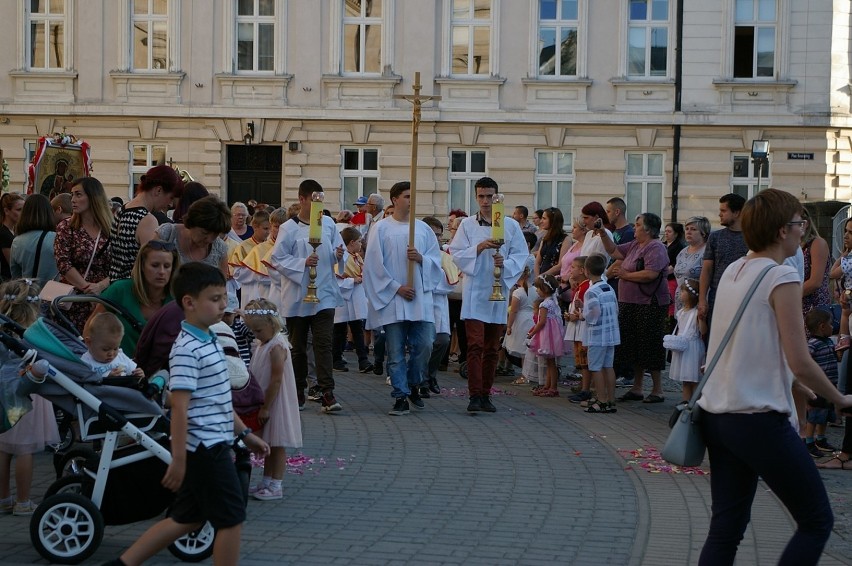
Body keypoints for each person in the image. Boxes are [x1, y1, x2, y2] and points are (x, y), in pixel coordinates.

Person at [696, 188, 852, 565]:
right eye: (800, 223)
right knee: (816, 521)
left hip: (717, 415)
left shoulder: (736, 269)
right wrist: (840, 398)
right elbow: (800, 359)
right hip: (757, 419)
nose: (804, 231)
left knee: (726, 528)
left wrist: (794, 383)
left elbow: (747, 345)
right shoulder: (781, 276)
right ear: (783, 230)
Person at [104, 262, 269, 566]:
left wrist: (244, 434)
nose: (223, 305)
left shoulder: (211, 339)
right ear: (189, 303)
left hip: (212, 444)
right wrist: (178, 459)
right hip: (204, 448)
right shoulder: (187, 349)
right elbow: (180, 407)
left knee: (188, 519)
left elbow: (218, 400)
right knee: (231, 518)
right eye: (215, 299)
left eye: (224, 297)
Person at [448, 177, 528, 413]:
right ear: (476, 197)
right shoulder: (467, 225)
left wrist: (507, 263)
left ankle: (486, 394)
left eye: (490, 196)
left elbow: (521, 254)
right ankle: (474, 394)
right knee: (475, 344)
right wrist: (478, 248)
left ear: (497, 198)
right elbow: (456, 253)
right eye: (481, 196)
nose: (485, 201)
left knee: (493, 347)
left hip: (498, 290)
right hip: (475, 291)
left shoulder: (510, 225)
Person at [363, 181, 442, 416]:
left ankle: (414, 383)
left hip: (419, 298)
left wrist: (421, 259)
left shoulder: (423, 229)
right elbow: (374, 266)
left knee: (426, 344)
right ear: (395, 199)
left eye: (413, 196)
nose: (411, 200)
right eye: (407, 196)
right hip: (394, 298)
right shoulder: (381, 229)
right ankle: (400, 396)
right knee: (396, 352)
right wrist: (396, 288)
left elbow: (436, 261)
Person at [268, 179, 344, 412]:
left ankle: (327, 392)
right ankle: (299, 389)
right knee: (298, 346)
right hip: (298, 295)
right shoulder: (288, 228)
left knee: (324, 343)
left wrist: (338, 254)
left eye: (321, 200)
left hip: (325, 293)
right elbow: (277, 258)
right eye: (314, 200)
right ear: (302, 199)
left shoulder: (328, 223)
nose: (318, 206)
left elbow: (336, 254)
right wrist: (303, 262)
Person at [595, 212, 670, 403]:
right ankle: (637, 388)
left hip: (649, 303)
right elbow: (614, 251)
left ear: (648, 229)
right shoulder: (636, 245)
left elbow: (650, 274)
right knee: (634, 346)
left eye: (637, 225)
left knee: (650, 346)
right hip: (629, 302)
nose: (634, 227)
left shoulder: (656, 247)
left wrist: (624, 275)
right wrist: (603, 232)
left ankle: (657, 390)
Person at [0, 279, 60, 517]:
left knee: (3, 448)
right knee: (25, 449)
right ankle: (23, 500)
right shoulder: (34, 334)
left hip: (4, 397)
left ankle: (4, 498)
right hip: (28, 395)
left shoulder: (4, 333)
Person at [243, 298, 302, 501]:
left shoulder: (277, 346)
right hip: (264, 398)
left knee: (277, 444)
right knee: (268, 441)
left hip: (275, 400)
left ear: (271, 323)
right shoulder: (262, 343)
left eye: (258, 330)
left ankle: (276, 484)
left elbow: (276, 379)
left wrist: (266, 407)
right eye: (253, 331)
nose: (255, 334)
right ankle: (266, 481)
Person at [89, 240, 179, 357]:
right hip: (117, 369)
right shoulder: (120, 290)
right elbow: (91, 328)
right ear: (142, 265)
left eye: (167, 266)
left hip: (160, 372)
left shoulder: (178, 299)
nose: (161, 272)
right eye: (155, 265)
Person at [54, 177, 113, 333]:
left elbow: (120, 265)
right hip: (73, 300)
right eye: (72, 195)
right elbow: (63, 263)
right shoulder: (66, 227)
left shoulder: (112, 228)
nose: (73, 200)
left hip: (104, 299)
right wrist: (88, 289)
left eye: (78, 195)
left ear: (93, 197)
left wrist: (100, 287)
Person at [109, 164, 183, 282]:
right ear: (158, 190)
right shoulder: (147, 220)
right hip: (133, 290)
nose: (169, 204)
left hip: (116, 289)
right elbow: (152, 266)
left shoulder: (121, 210)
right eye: (170, 197)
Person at [421, 216, 459, 396]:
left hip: (438, 303)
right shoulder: (416, 254)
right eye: (431, 234)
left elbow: (448, 283)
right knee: (423, 344)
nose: (435, 239)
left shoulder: (445, 257)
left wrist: (431, 281)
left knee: (442, 340)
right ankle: (421, 379)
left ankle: (430, 374)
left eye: (438, 235)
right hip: (420, 303)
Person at [698, 193, 747, 325]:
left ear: (736, 213)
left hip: (744, 299)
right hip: (717, 297)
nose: (719, 214)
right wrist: (702, 299)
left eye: (723, 211)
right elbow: (706, 270)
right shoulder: (715, 237)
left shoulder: (752, 238)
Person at [580, 254, 621, 413]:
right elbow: (616, 308)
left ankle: (601, 400)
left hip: (597, 335)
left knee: (595, 367)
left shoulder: (591, 291)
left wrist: (583, 315)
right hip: (611, 333)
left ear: (586, 271)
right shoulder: (608, 287)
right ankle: (611, 400)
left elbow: (594, 313)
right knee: (608, 366)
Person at [156, 196, 230, 279]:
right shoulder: (167, 234)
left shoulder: (220, 249)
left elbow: (221, 288)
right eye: (204, 233)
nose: (209, 239)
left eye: (215, 235)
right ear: (192, 223)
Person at [332, 226, 372, 373]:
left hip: (356, 296)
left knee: (357, 328)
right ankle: (336, 358)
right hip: (344, 297)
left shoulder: (357, 257)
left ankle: (363, 360)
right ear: (352, 242)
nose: (361, 244)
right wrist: (352, 281)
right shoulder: (342, 258)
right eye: (360, 241)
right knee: (340, 329)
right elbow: (336, 279)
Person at [802, 309, 840, 458]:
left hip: (829, 386)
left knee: (825, 415)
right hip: (817, 387)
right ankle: (809, 442)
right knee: (814, 416)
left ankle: (821, 439)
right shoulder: (813, 344)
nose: (833, 327)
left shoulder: (829, 341)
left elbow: (833, 358)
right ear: (822, 326)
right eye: (831, 324)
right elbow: (806, 363)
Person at [236, 207, 286, 309]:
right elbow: (259, 276)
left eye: (283, 226)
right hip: (264, 294)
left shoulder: (292, 246)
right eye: (276, 226)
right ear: (271, 226)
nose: (280, 230)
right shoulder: (259, 249)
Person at [526, 274, 567, 397]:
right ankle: (547, 385)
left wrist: (532, 333)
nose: (537, 290)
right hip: (553, 335)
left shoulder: (544, 305)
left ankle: (552, 387)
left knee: (551, 363)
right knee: (550, 362)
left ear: (544, 288)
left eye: (538, 288)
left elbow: (542, 322)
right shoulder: (553, 302)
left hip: (547, 336)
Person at [668, 278, 706, 403]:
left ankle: (696, 402)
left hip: (693, 348)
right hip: (683, 347)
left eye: (683, 291)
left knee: (694, 378)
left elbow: (703, 331)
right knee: (686, 378)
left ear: (690, 295)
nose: (680, 293)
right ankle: (685, 402)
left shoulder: (695, 313)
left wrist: (701, 320)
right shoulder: (680, 313)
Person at [10, 194, 58, 284]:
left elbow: (15, 276)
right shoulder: (57, 239)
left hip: (27, 294)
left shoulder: (17, 241)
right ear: (49, 213)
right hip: (53, 294)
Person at [81, 312, 143, 378]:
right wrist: (108, 378)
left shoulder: (121, 356)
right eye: (105, 349)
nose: (111, 353)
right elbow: (86, 380)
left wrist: (138, 374)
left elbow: (133, 371)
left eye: (115, 348)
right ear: (89, 343)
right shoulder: (86, 362)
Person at [672, 216, 710, 312]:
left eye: (693, 229)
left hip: (697, 302)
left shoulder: (707, 252)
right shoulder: (683, 252)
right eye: (687, 229)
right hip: (681, 302)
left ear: (703, 233)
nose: (688, 232)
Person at [504, 265, 534, 385]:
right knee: (528, 350)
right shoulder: (536, 290)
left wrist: (509, 326)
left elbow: (513, 311)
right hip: (533, 320)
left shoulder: (518, 292)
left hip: (521, 321)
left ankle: (524, 375)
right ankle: (529, 374)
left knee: (523, 351)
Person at [800, 208, 831, 318]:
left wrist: (788, 295)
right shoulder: (793, 246)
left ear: (805, 224)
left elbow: (815, 282)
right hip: (798, 306)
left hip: (815, 310)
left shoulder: (817, 244)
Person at [534, 207, 572, 278]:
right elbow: (537, 261)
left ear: (553, 221)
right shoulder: (545, 239)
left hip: (554, 280)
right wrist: (537, 277)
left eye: (544, 218)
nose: (541, 221)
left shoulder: (565, 239)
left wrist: (542, 276)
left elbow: (561, 264)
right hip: (540, 279)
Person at [0, 193, 25, 281]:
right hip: (7, 283)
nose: (23, 213)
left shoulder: (14, 231)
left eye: (24, 210)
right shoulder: (3, 234)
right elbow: (13, 264)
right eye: (19, 210)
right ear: (6, 211)